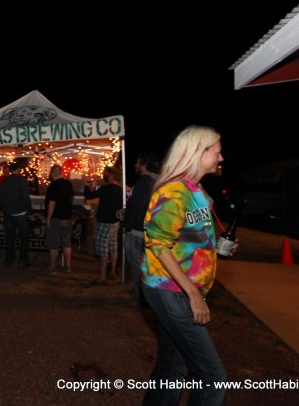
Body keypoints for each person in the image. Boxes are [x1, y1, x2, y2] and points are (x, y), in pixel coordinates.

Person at [140, 125, 237, 405]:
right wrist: (193, 294)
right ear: (198, 152)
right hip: (171, 289)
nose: (221, 159)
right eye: (217, 153)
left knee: (174, 367)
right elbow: (158, 244)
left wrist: (217, 248)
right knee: (213, 376)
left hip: (181, 288)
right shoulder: (174, 192)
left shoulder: (196, 190)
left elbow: (191, 237)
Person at [122, 152, 161, 307]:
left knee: (139, 270)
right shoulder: (157, 182)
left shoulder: (144, 182)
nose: (135, 166)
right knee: (146, 268)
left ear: (144, 165)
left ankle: (142, 301)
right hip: (148, 231)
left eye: (138, 163)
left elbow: (139, 208)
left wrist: (128, 223)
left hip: (136, 232)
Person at [83, 166, 123, 285]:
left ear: (111, 176)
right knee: (113, 247)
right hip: (115, 222)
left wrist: (86, 185)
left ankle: (102, 276)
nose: (105, 175)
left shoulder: (106, 189)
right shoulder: (120, 190)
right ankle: (113, 273)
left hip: (104, 222)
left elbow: (89, 196)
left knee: (103, 249)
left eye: (107, 174)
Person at [0, 162, 33, 267]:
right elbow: (25, 197)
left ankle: (9, 258)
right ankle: (22, 259)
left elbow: (0, 196)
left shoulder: (5, 181)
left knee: (9, 237)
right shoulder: (22, 180)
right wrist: (29, 210)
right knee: (25, 236)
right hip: (20, 212)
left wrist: (3, 208)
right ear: (18, 169)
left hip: (8, 213)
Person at [45, 164, 74, 274]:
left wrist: (48, 218)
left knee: (54, 244)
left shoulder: (53, 186)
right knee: (67, 243)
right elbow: (71, 199)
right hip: (67, 218)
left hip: (55, 218)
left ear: (52, 173)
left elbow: (52, 203)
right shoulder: (68, 184)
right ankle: (67, 266)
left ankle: (52, 267)